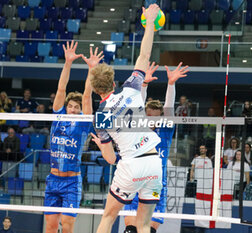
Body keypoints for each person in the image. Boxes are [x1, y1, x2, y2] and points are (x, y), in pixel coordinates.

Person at [89, 5, 162, 233]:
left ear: (95, 90)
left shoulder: (100, 116)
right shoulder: (131, 87)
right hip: (153, 162)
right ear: (113, 83)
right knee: (143, 225)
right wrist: (149, 21)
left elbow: (110, 159)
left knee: (108, 218)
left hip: (131, 165)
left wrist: (101, 145)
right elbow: (144, 55)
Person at [123, 61, 189, 233]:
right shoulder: (138, 128)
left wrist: (171, 83)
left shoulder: (165, 131)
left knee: (148, 230)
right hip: (135, 183)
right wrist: (144, 84)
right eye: (148, 116)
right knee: (130, 230)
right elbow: (138, 105)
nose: (151, 119)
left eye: (155, 117)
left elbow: (169, 109)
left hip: (156, 185)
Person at [44, 41, 99, 233]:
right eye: (71, 106)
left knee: (67, 227)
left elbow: (86, 96)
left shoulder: (83, 123)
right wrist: (68, 63)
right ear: (66, 107)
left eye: (76, 107)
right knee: (50, 227)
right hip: (53, 179)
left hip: (71, 182)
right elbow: (61, 89)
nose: (74, 109)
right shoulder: (58, 116)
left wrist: (91, 69)